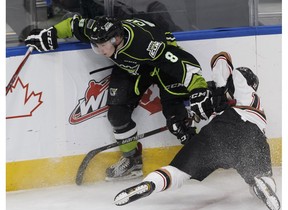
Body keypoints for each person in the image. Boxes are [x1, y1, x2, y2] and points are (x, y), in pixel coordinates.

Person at [25, 16, 213, 181]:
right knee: (117, 115)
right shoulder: (98, 30)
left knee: (177, 124)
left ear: (117, 39)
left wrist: (198, 89)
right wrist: (50, 33)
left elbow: (180, 62)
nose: (100, 50)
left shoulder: (145, 45)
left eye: (103, 46)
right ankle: (132, 161)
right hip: (133, 68)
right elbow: (73, 24)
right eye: (96, 46)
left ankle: (203, 156)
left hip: (161, 67)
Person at [113, 52, 281, 210]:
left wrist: (217, 86)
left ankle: (151, 184)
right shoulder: (251, 101)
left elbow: (220, 58)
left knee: (178, 172)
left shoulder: (237, 87)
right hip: (248, 135)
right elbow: (205, 108)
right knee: (260, 176)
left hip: (215, 134)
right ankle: (262, 184)